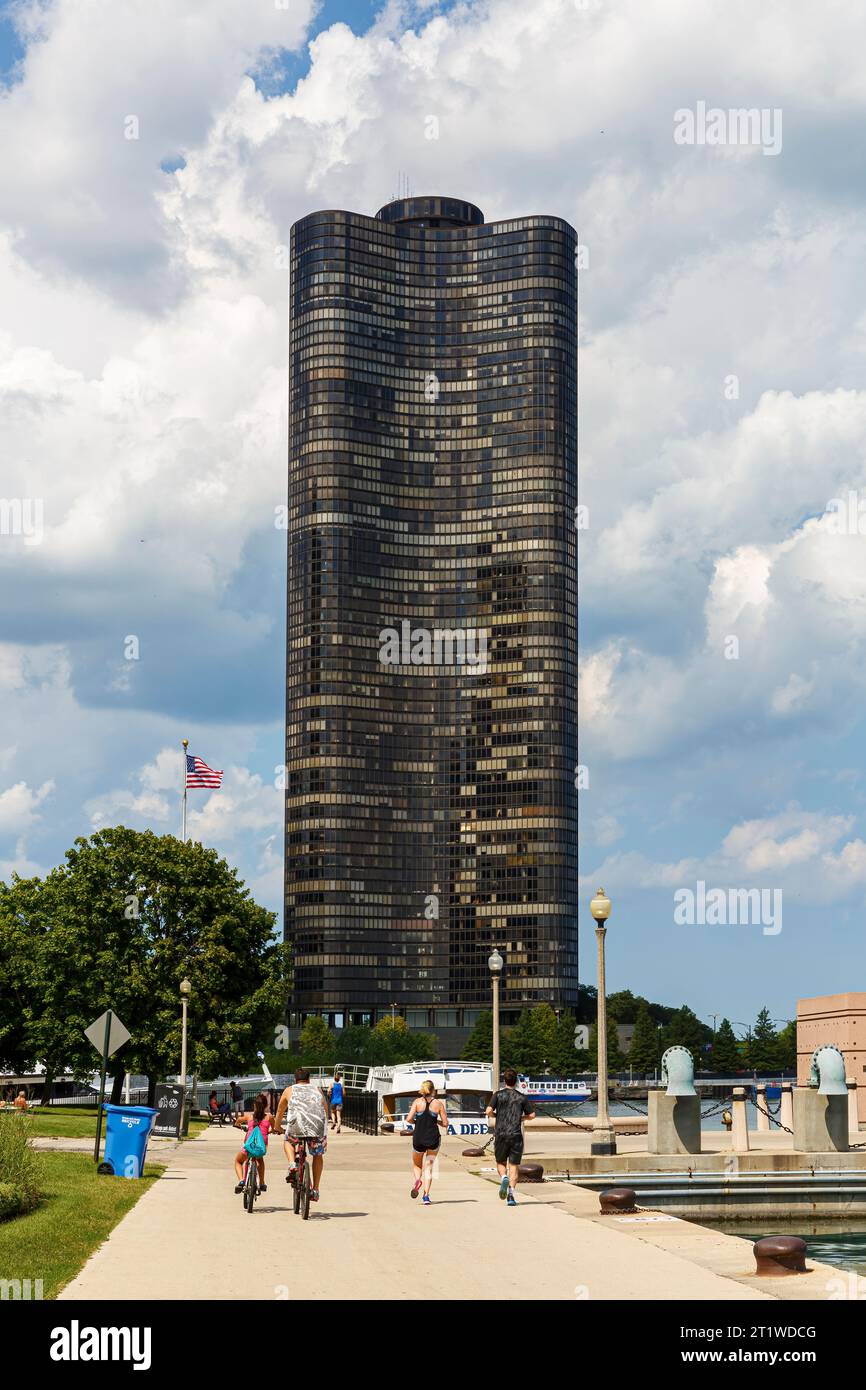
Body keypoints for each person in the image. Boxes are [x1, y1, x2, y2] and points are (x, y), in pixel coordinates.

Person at [274, 1069, 328, 1203]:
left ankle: (292, 1164)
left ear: (295, 1080)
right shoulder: (317, 1090)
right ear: (309, 1080)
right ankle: (315, 1189)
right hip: (317, 1128)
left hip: (296, 1127)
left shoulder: (289, 1090)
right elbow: (325, 1110)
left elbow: (280, 1110)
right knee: (317, 1155)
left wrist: (277, 1126)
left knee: (288, 1141)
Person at [485, 1068, 535, 1207]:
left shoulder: (498, 1095)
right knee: (513, 1166)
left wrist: (496, 1116)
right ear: (516, 1081)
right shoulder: (521, 1097)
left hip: (501, 1133)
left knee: (500, 1162)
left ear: (504, 1080)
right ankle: (511, 1195)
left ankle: (503, 1177)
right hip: (515, 1134)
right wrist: (521, 1117)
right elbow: (532, 1116)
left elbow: (488, 1111)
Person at [405, 1080, 447, 1207]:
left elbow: (409, 1119)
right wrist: (436, 1122)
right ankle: (426, 1196)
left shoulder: (417, 1102)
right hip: (433, 1138)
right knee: (429, 1167)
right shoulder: (438, 1104)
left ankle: (418, 1181)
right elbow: (445, 1123)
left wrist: (417, 1122)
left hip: (419, 1138)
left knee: (417, 1165)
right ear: (433, 1090)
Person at [232, 1091, 271, 1194]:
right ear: (266, 1105)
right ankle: (262, 1183)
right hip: (260, 1147)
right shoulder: (269, 1117)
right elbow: (276, 1128)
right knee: (260, 1160)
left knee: (238, 1161)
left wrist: (237, 1125)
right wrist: (276, 1131)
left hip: (249, 1147)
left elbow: (239, 1120)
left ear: (254, 1105)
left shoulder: (249, 1117)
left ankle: (241, 1181)